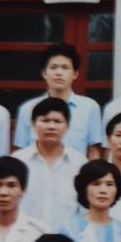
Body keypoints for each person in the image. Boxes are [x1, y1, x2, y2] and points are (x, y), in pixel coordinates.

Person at [13, 45, 104, 158]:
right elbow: (21, 151)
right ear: (44, 73)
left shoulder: (90, 107)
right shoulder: (28, 109)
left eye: (65, 68)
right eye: (53, 67)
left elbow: (93, 151)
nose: (59, 73)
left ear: (75, 74)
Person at [13, 97, 87, 230]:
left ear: (67, 126)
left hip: (67, 238)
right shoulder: (18, 160)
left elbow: (85, 208)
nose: (51, 126)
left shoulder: (80, 163)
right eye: (45, 120)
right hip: (26, 236)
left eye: (58, 121)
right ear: (33, 124)